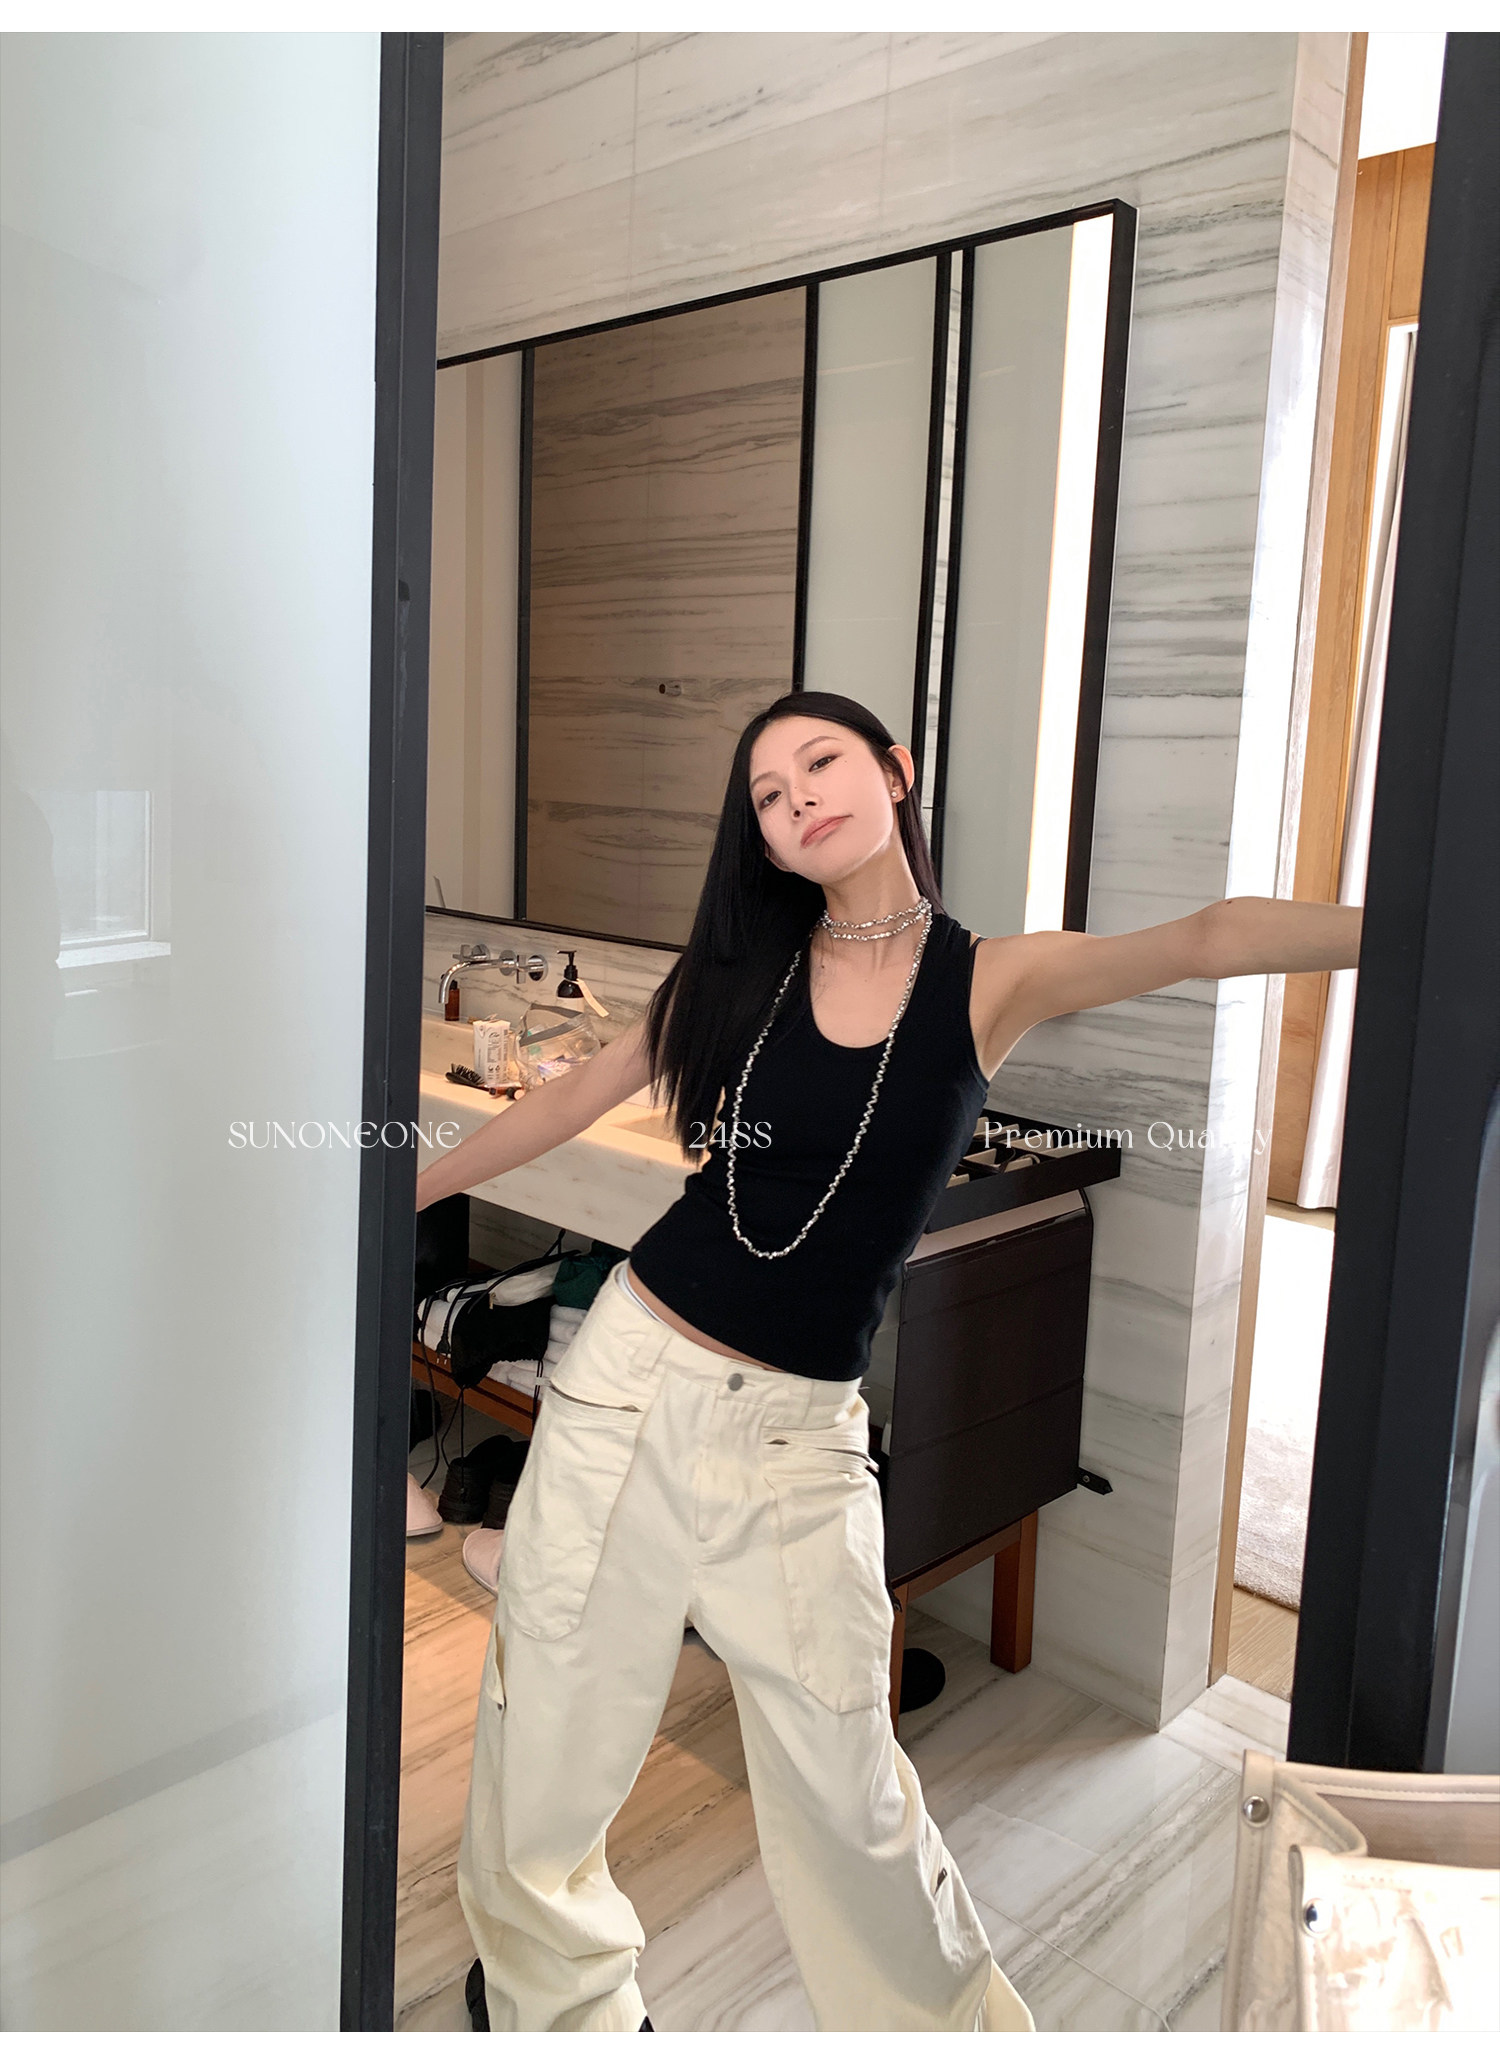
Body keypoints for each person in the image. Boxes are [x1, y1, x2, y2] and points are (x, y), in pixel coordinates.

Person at [414, 690, 1362, 2033]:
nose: (796, 797)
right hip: (631, 1375)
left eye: (821, 762)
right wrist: (400, 1194)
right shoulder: (738, 973)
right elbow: (573, 1093)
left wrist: (1417, 924)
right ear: (761, 839)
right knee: (555, 1713)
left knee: (847, 1775)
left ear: (895, 772)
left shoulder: (992, 980)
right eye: (767, 794)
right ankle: (549, 1999)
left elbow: (1204, 937)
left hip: (797, 1436)